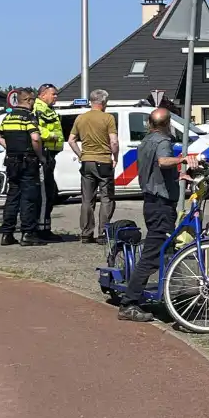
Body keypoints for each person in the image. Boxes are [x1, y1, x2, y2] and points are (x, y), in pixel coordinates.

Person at [118, 107, 196, 322]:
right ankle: (129, 303)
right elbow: (162, 161)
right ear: (167, 123)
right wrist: (182, 160)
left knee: (164, 250)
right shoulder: (163, 141)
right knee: (152, 255)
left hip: (151, 203)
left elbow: (156, 169)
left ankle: (168, 293)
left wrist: (178, 176)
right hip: (161, 206)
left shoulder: (145, 141)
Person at [0, 88, 47, 247]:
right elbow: (35, 138)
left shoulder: (8, 117)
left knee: (12, 197)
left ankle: (7, 234)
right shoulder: (28, 117)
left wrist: (10, 148)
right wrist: (40, 156)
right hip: (27, 161)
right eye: (33, 101)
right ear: (28, 100)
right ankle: (28, 234)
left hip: (11, 161)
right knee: (29, 197)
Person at [67, 89, 119, 244]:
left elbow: (71, 140)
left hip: (86, 162)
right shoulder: (108, 118)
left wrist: (81, 155)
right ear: (103, 102)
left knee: (87, 199)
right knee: (106, 198)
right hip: (103, 161)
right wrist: (114, 157)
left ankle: (86, 233)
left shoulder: (81, 118)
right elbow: (114, 142)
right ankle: (103, 233)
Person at [33, 83, 64, 241]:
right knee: (45, 194)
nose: (56, 97)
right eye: (53, 94)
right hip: (44, 153)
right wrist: (51, 136)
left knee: (51, 193)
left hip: (50, 155)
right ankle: (42, 230)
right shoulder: (38, 108)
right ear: (43, 94)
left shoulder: (48, 109)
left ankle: (44, 227)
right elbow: (36, 129)